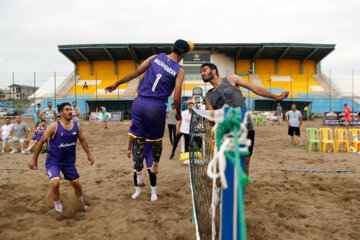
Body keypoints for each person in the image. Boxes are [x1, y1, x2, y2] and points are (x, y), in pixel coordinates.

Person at [105, 39, 193, 179]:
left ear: (172, 48)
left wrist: (116, 83)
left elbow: (135, 74)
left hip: (139, 102)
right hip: (156, 106)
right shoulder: (179, 71)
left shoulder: (154, 57)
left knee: (138, 138)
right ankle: (155, 164)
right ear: (183, 55)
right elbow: (177, 98)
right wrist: (178, 114)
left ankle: (138, 174)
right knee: (157, 140)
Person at [200, 63, 289, 176]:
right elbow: (212, 117)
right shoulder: (209, 96)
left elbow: (254, 88)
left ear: (213, 71)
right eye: (201, 72)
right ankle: (222, 190)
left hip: (246, 127)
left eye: (204, 70)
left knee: (245, 162)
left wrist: (276, 97)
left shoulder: (231, 79)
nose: (202, 73)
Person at [28, 102, 95, 213]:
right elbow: (41, 141)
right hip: (53, 161)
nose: (70, 112)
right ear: (60, 113)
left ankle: (81, 203)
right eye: (67, 110)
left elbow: (82, 140)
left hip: (69, 162)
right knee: (55, 183)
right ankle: (58, 207)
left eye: (70, 109)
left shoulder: (76, 126)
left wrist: (89, 155)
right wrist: (34, 160)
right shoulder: (54, 126)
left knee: (76, 184)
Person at [127, 136, 157, 201]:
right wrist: (129, 148)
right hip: (138, 147)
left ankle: (153, 192)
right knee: (136, 170)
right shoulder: (136, 125)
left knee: (151, 170)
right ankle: (137, 190)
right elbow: (131, 135)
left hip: (150, 148)